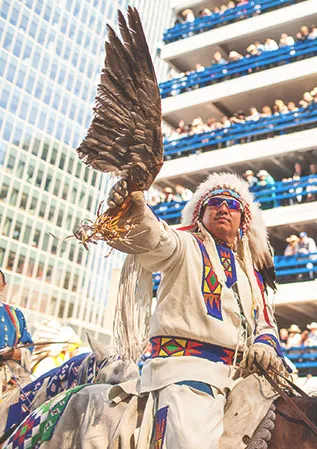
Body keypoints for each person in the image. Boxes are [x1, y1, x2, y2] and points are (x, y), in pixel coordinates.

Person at [105, 172, 288, 448]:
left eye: (232, 204)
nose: (224, 208)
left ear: (243, 221)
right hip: (186, 371)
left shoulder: (250, 274)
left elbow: (265, 325)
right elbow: (155, 237)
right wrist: (136, 208)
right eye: (214, 203)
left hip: (240, 378)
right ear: (200, 215)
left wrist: (264, 346)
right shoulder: (184, 246)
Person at [0, 268, 34, 382]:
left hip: (11, 376)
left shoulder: (15, 314)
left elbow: (28, 345)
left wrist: (14, 353)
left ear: (4, 285)